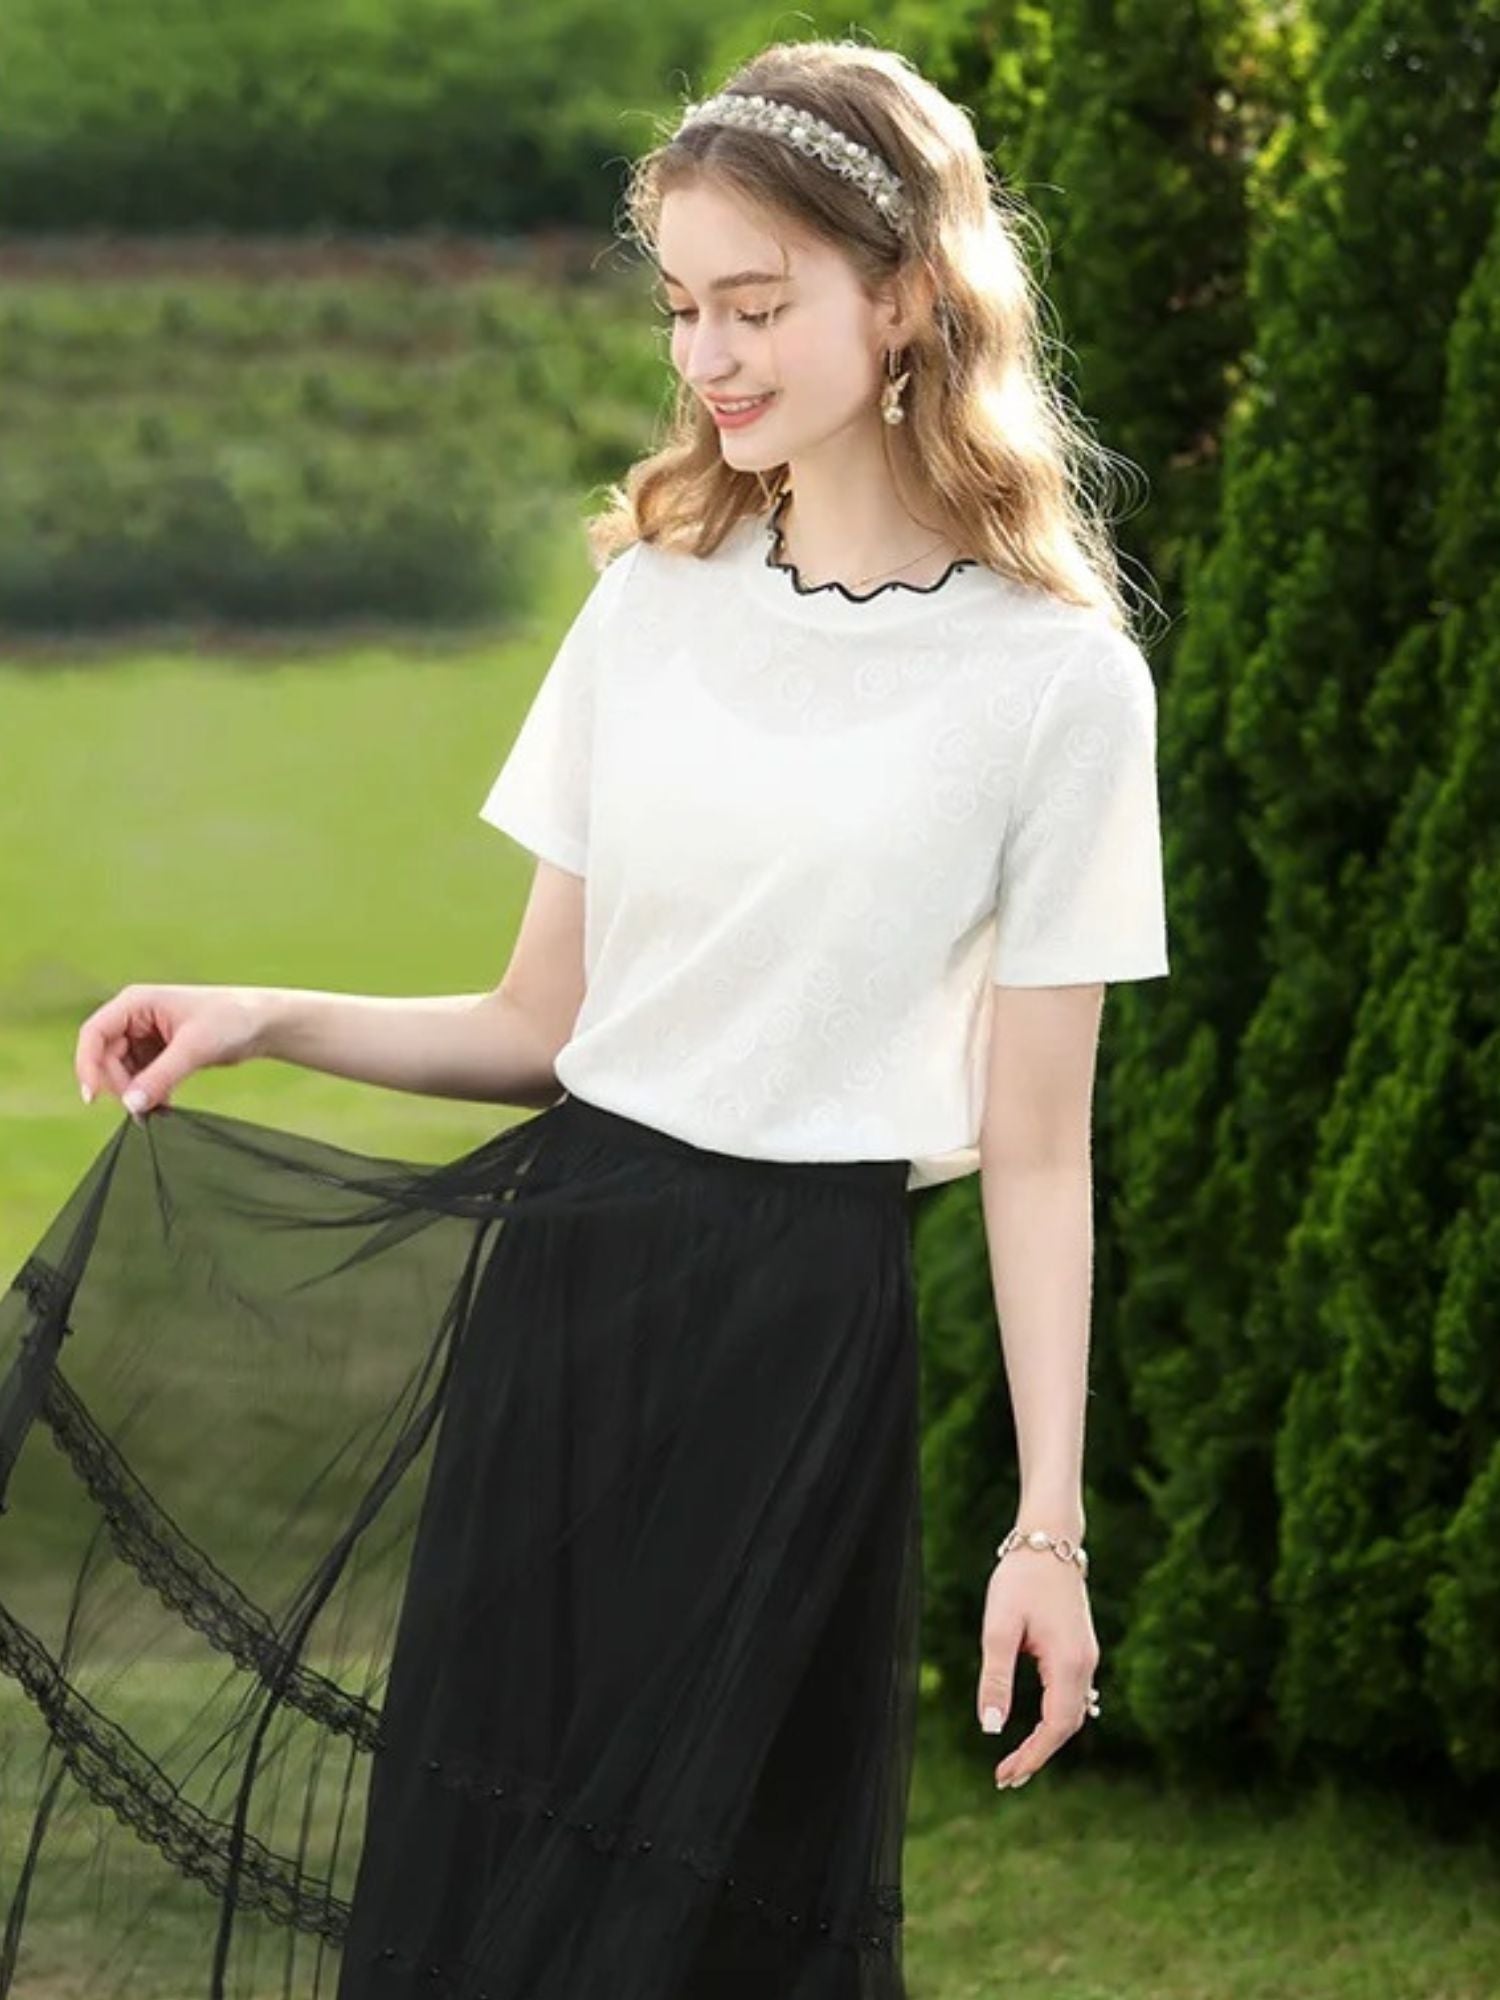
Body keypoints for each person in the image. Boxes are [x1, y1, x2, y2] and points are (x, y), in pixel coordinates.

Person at [0, 35, 1169, 2000]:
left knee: (711, 1908)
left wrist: (1045, 1531)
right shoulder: (656, 596)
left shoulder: (1057, 684)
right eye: (681, 308)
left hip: (802, 1327)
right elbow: (544, 1018)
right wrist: (262, 1009)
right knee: (484, 1880)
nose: (707, 357)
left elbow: (1040, 1144)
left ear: (901, 295)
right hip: (566, 1284)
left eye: (757, 303)